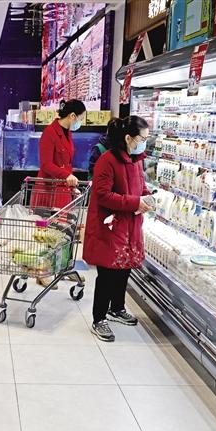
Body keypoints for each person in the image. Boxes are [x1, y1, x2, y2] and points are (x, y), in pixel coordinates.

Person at [82, 116, 153, 342]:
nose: (144, 143)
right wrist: (134, 202)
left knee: (125, 268)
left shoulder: (136, 160)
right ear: (128, 138)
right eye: (142, 138)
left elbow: (141, 186)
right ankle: (99, 318)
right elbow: (103, 195)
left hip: (130, 225)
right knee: (107, 273)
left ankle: (117, 308)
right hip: (110, 226)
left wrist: (147, 198)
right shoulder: (107, 160)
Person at [33, 99, 86, 287]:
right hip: (49, 189)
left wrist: (71, 184)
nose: (81, 122)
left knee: (65, 231)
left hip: (62, 189)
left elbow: (66, 162)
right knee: (48, 233)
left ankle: (64, 268)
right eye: (81, 118)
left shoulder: (67, 133)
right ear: (72, 116)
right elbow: (46, 164)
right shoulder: (49, 133)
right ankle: (42, 271)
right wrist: (66, 176)